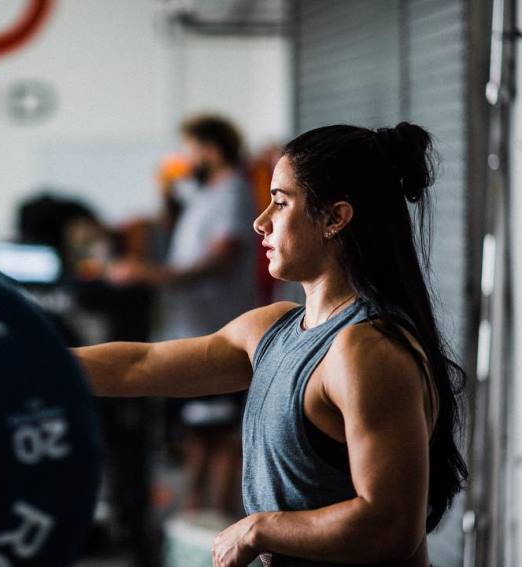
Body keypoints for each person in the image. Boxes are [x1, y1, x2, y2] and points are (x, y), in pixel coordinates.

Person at [75, 122, 468, 566]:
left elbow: (391, 526)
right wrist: (32, 364)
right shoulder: (273, 329)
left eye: (280, 203)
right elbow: (140, 365)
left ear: (335, 218)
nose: (261, 222)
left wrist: (260, 528)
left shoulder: (366, 351)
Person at [109, 114, 260, 515]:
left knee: (220, 435)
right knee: (197, 434)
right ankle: (194, 525)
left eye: (189, 149)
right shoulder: (206, 192)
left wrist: (157, 274)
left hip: (217, 334)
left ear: (210, 150)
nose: (184, 157)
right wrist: (165, 193)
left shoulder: (232, 191)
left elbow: (223, 257)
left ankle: (215, 524)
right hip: (192, 332)